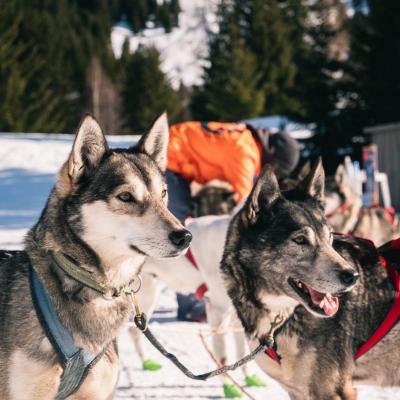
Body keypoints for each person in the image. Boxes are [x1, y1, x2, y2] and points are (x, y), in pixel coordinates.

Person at [166, 121, 300, 221]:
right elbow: (245, 203)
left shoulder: (247, 140)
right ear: (274, 159)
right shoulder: (245, 153)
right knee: (179, 221)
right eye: (277, 170)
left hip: (175, 149)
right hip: (169, 156)